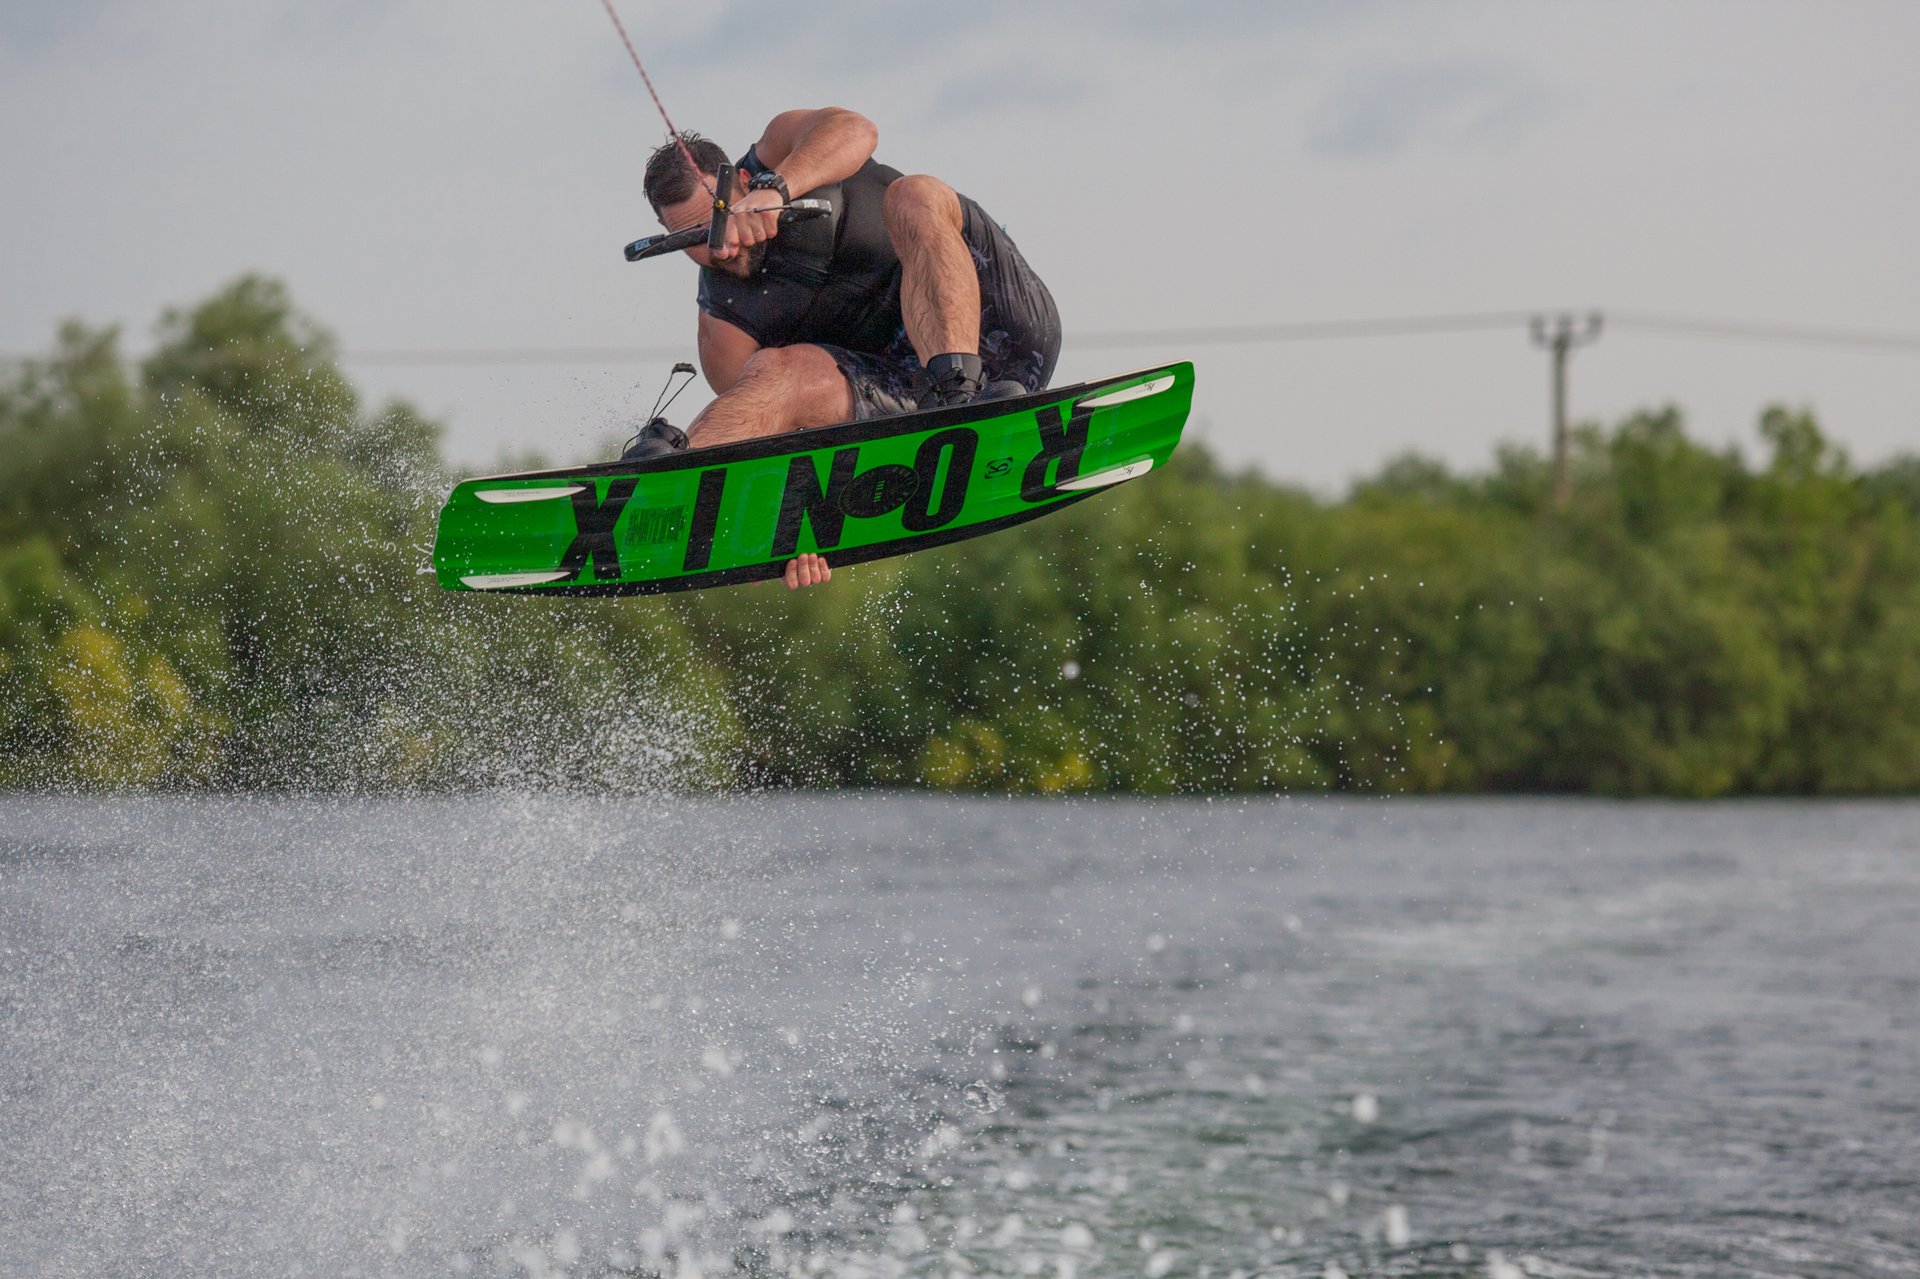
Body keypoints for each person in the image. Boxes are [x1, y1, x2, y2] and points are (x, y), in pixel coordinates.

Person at [623, 107, 1061, 590]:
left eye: (717, 220)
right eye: (694, 239)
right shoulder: (722, 329)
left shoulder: (779, 149)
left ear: (741, 181)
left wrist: (778, 190)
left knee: (916, 193)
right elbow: (779, 455)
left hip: (1003, 333)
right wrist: (799, 533)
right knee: (773, 370)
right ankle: (665, 486)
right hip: (903, 400)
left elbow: (859, 131)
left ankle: (963, 399)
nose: (720, 248)